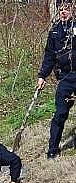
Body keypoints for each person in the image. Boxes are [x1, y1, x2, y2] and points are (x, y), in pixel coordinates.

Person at [37, 0, 76, 159]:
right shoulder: (55, 31)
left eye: (67, 9)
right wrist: (42, 76)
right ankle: (52, 149)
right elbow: (49, 56)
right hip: (66, 78)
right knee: (60, 113)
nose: (63, 12)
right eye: (61, 10)